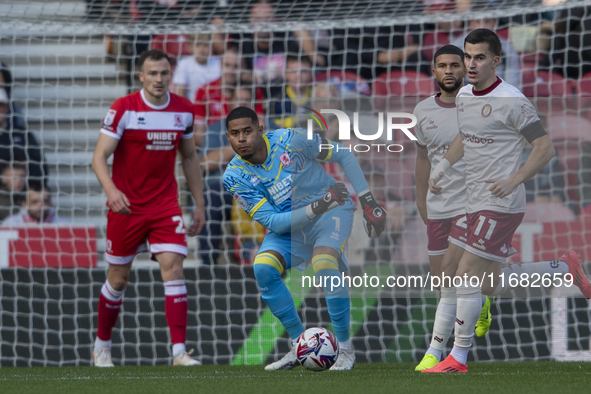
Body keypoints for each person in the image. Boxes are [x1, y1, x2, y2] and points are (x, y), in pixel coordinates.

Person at [423, 29, 591, 374]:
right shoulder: (466, 95)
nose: (470, 64)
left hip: (500, 203)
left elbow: (545, 149)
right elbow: (464, 136)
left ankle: (458, 357)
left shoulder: (513, 100)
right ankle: (561, 270)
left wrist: (513, 180)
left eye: (479, 57)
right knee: (485, 281)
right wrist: (440, 167)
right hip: (471, 200)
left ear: (496, 61)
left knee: (465, 274)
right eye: (468, 56)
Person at [222, 107, 387, 371]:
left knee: (324, 263)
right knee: (263, 269)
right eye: (234, 134)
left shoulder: (292, 140)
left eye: (247, 131)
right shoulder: (234, 176)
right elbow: (273, 222)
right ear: (228, 137)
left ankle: (345, 349)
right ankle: (301, 345)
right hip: (297, 221)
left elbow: (342, 154)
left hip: (331, 212)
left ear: (260, 129)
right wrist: (318, 205)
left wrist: (368, 201)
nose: (241, 139)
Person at [91, 49, 206, 368]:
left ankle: (179, 353)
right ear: (141, 76)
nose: (159, 79)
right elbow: (99, 157)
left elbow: (189, 157)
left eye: (164, 73)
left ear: (171, 75)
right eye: (152, 73)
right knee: (118, 279)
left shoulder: (184, 110)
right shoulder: (124, 108)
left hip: (164, 203)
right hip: (126, 206)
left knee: (174, 267)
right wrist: (112, 191)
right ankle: (102, 346)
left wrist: (199, 203)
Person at [193, 47, 265, 147]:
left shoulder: (254, 91)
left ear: (243, 67)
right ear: (220, 65)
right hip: (214, 147)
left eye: (236, 66)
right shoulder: (204, 92)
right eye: (227, 65)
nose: (231, 71)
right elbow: (198, 135)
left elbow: (260, 126)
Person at [0, 88, 47, 186]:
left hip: (23, 197)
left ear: (7, 107)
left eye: (1, 105)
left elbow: (40, 166)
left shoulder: (21, 133)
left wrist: (31, 190)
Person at [172, 33, 221, 101]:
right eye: (197, 45)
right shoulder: (184, 64)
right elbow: (180, 94)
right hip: (193, 107)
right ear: (189, 47)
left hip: (215, 106)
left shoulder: (218, 63)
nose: (202, 50)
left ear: (211, 46)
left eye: (206, 45)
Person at [268, 55, 314, 129]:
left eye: (304, 71)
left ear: (311, 73)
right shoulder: (277, 101)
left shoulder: (318, 96)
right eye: (293, 71)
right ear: (286, 74)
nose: (298, 76)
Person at [3, 181, 67, 225]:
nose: (40, 205)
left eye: (45, 201)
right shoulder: (11, 224)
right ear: (24, 204)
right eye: (35, 202)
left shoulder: (63, 224)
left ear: (50, 202)